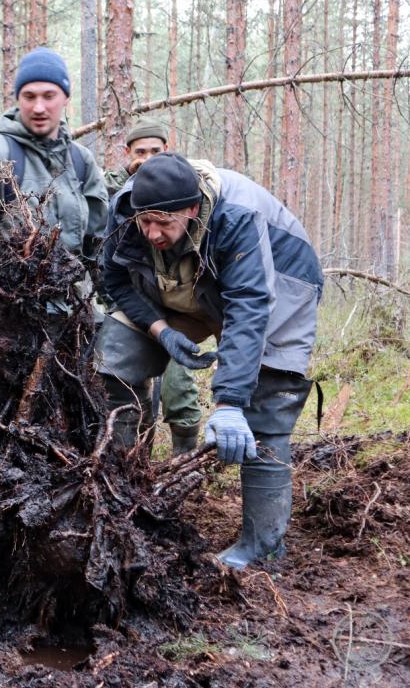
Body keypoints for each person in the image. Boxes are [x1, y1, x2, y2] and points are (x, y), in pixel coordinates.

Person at [97, 152, 323, 569]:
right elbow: (113, 279)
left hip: (277, 280)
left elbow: (250, 306)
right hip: (183, 283)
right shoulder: (127, 210)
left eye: (163, 223)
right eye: (145, 222)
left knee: (265, 407)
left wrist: (230, 402)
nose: (151, 233)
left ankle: (262, 546)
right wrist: (161, 332)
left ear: (192, 209)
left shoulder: (236, 217)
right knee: (114, 362)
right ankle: (116, 507)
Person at [0, 46, 108, 270]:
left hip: (72, 300)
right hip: (7, 300)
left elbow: (97, 244)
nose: (39, 107)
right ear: (18, 99)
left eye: (49, 96)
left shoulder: (81, 161)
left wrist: (110, 301)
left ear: (66, 98)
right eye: (29, 97)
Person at [102, 118, 202, 454]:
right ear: (127, 153)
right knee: (125, 375)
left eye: (154, 152)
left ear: (167, 151)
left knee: (178, 380)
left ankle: (184, 457)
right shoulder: (111, 188)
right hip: (133, 295)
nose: (146, 158)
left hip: (179, 299)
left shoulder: (182, 182)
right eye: (140, 152)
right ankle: (133, 456)